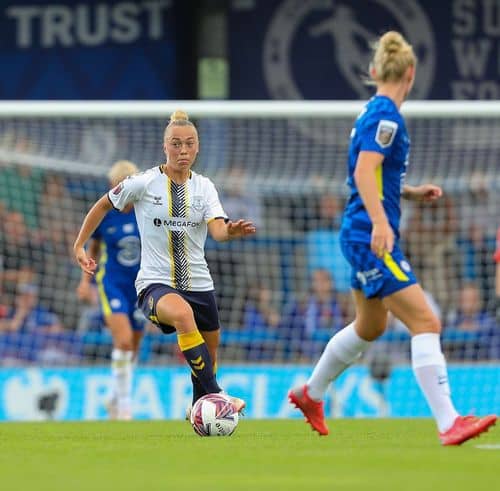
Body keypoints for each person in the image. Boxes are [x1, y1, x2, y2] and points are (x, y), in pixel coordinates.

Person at [288, 31, 496, 445]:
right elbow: (365, 173)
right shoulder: (386, 116)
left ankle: (310, 393)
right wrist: (382, 222)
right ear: (411, 75)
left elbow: (374, 174)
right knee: (426, 320)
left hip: (361, 230)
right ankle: (448, 421)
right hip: (370, 234)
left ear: (372, 71)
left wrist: (410, 191)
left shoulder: (372, 111)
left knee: (369, 327)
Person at [73, 111, 256, 416]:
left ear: (197, 147)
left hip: (199, 283)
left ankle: (200, 406)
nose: (182, 150)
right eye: (176, 144)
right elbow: (104, 204)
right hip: (154, 284)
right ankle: (219, 396)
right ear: (164, 147)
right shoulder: (143, 182)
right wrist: (79, 244)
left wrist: (231, 231)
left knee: (209, 354)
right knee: (183, 316)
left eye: (189, 144)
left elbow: (218, 230)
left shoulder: (205, 187)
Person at [76, 160, 144, 420]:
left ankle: (115, 398)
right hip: (113, 283)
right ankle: (125, 405)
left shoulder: (146, 213)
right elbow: (93, 248)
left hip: (142, 288)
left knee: (134, 347)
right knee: (124, 340)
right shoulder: (105, 214)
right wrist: (85, 282)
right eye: (117, 186)